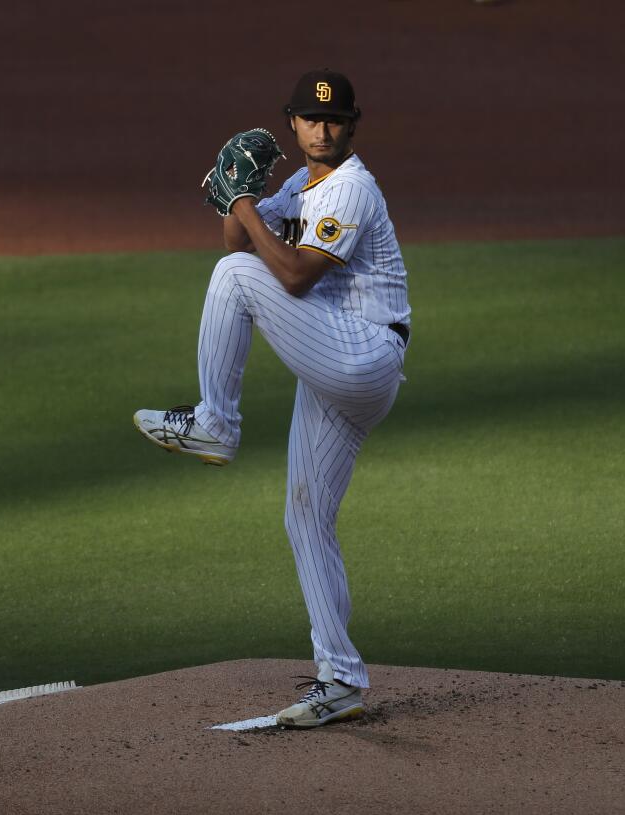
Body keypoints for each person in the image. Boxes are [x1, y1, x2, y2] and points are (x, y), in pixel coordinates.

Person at [133, 69, 411, 728]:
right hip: (339, 360)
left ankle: (215, 424)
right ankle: (340, 678)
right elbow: (240, 240)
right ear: (293, 123)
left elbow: (288, 276)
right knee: (306, 514)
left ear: (352, 125)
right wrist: (237, 201)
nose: (323, 128)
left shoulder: (350, 187)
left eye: (335, 118)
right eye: (311, 119)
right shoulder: (301, 183)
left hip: (364, 353)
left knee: (235, 277)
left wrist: (247, 208)